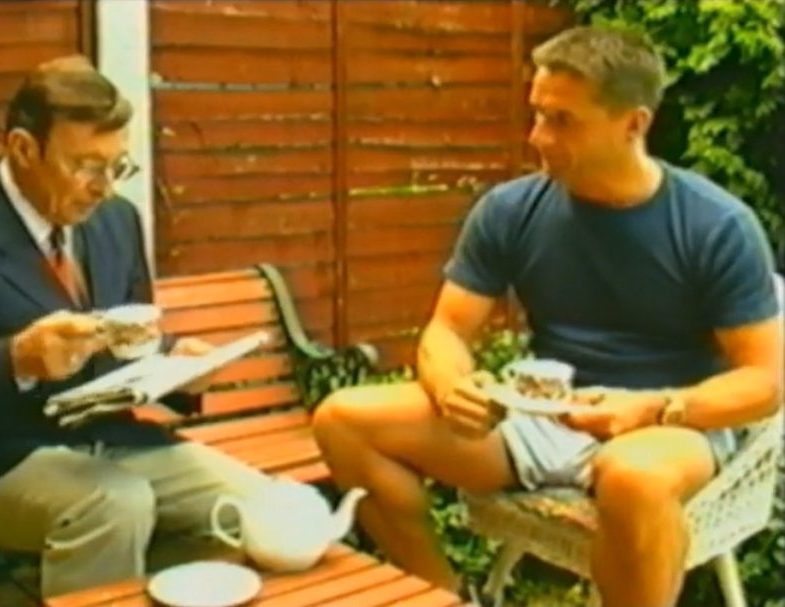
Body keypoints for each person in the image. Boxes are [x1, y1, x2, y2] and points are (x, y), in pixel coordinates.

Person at [312, 26, 783, 607]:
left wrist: (654, 407)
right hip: (540, 415)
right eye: (537, 114)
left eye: (563, 121)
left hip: (668, 425)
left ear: (633, 124)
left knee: (633, 477)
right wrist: (451, 385)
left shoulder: (716, 226)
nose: (537, 137)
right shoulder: (511, 210)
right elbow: (447, 330)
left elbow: (764, 383)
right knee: (344, 420)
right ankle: (444, 596)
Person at [0, 56, 269, 597]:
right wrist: (14, 359)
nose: (104, 188)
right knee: (115, 505)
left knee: (263, 508)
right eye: (86, 166)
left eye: (117, 166)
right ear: (23, 148)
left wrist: (178, 365)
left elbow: (126, 337)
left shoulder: (116, 221)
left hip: (106, 437)